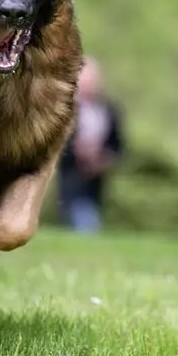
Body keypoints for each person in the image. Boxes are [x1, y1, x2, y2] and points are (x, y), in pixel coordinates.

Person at [57, 57, 125, 233]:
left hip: (97, 185)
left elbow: (118, 145)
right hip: (71, 181)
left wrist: (104, 159)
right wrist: (78, 151)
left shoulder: (109, 110)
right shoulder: (64, 109)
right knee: (85, 222)